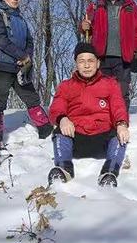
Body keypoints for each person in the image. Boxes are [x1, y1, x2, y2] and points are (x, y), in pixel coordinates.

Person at [47, 42, 130, 187]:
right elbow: (56, 106)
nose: (86, 65)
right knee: (59, 131)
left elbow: (118, 106)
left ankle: (109, 173)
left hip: (103, 138)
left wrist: (122, 124)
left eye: (90, 61)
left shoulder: (110, 83)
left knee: (119, 136)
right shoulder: (66, 86)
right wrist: (62, 118)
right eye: (82, 61)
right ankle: (64, 169)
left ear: (98, 63)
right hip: (76, 138)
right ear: (76, 64)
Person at [0, 0, 52, 147]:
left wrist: (27, 56)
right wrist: (21, 55)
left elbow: (29, 40)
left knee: (31, 97)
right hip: (2, 64)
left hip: (22, 66)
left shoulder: (21, 19)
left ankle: (46, 129)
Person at [81, 0, 137, 109]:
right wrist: (83, 26)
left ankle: (121, 125)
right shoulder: (96, 6)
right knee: (101, 92)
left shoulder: (130, 6)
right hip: (101, 56)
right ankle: (104, 125)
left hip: (124, 57)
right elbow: (87, 27)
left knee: (121, 92)